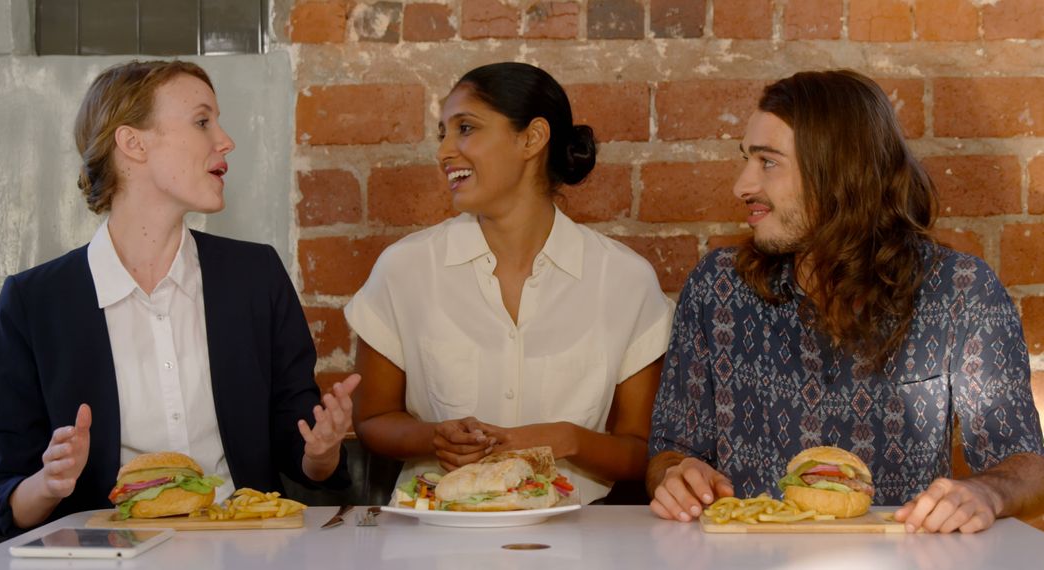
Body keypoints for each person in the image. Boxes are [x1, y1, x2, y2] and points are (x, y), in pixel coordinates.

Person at [646, 69, 1044, 533]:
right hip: (742, 556)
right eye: (746, 159)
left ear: (838, 171)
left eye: (767, 162)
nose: (742, 185)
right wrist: (677, 476)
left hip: (901, 559)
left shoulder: (960, 290)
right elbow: (669, 451)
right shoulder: (717, 286)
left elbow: (1028, 463)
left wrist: (986, 492)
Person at [0, 60, 360, 537]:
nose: (225, 140)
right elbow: (5, 502)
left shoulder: (255, 275)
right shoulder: (32, 302)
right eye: (203, 121)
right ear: (132, 143)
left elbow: (303, 456)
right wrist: (50, 481)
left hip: (247, 552)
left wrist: (321, 452)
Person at [346, 62, 674, 503]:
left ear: (532, 138)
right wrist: (433, 438)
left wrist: (566, 438)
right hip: (438, 539)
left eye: (465, 128)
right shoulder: (405, 268)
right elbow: (372, 419)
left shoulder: (625, 280)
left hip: (577, 541)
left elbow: (642, 452)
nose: (444, 151)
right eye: (442, 133)